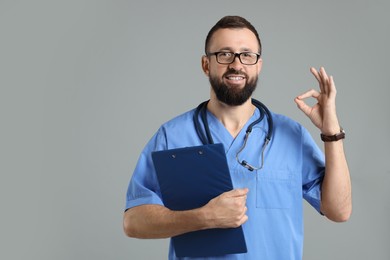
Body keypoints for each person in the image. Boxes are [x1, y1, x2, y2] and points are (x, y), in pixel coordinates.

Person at [123, 15, 352, 259]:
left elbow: (339, 211)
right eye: (224, 54)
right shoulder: (173, 136)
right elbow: (133, 222)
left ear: (258, 65)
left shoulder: (290, 135)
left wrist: (331, 132)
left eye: (247, 55)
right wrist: (204, 217)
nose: (236, 64)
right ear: (205, 64)